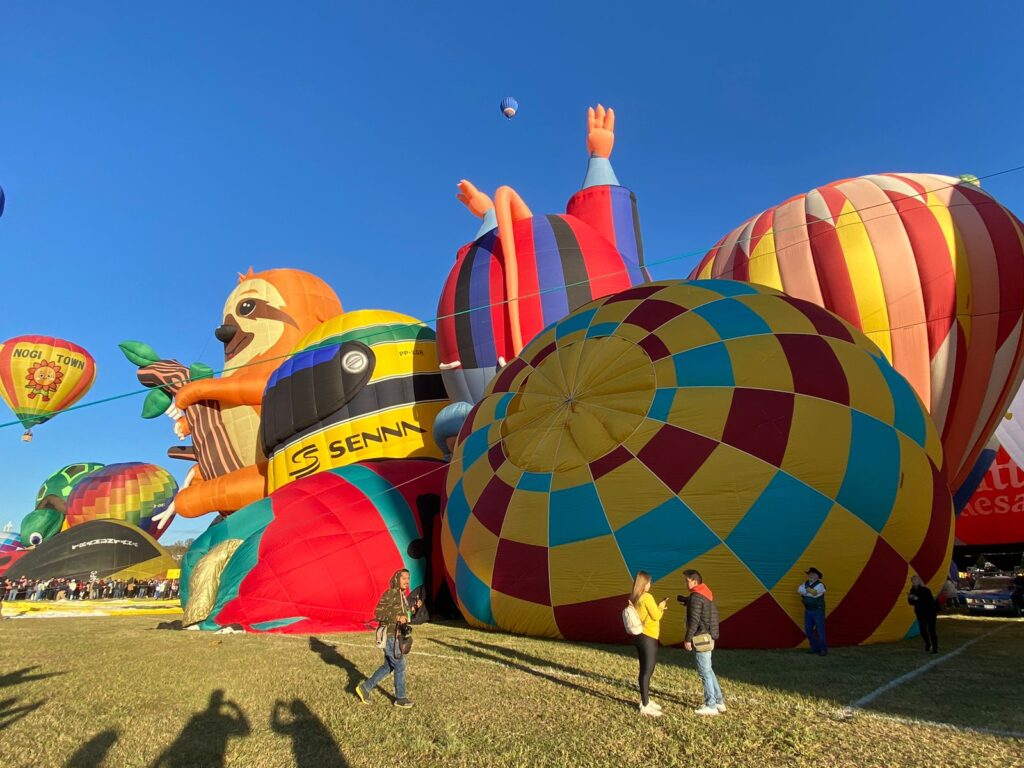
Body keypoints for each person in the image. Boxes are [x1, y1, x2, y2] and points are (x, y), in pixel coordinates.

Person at [355, 569, 421, 709]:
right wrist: (396, 618)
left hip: (398, 635)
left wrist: (414, 609)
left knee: (388, 666)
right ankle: (401, 698)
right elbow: (379, 613)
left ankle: (365, 688)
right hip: (390, 635)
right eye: (404, 578)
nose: (407, 581)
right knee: (400, 664)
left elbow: (405, 615)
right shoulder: (391, 593)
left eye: (408, 578)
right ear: (397, 579)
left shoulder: (402, 596)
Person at [682, 569, 724, 716]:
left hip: (700, 637)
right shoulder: (705, 594)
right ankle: (719, 701)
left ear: (694, 581)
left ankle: (711, 705)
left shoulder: (695, 597)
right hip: (709, 635)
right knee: (709, 670)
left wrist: (687, 639)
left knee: (704, 672)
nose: (685, 583)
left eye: (687, 580)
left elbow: (694, 621)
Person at [629, 570, 668, 717]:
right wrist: (661, 606)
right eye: (650, 582)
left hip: (640, 638)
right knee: (647, 671)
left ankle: (646, 700)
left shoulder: (636, 597)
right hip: (648, 637)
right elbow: (656, 616)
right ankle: (645, 705)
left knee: (645, 670)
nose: (651, 584)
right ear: (645, 584)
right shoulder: (647, 597)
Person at [798, 567, 827, 656]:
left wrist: (806, 591)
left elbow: (815, 593)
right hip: (808, 610)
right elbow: (799, 590)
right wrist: (809, 592)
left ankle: (823, 649)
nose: (810, 576)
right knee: (808, 629)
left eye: (812, 574)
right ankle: (814, 646)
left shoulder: (820, 585)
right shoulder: (805, 583)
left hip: (817, 610)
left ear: (817, 576)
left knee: (820, 630)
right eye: (809, 574)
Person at [907, 575, 939, 653]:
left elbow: (929, 601)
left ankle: (935, 648)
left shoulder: (926, 590)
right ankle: (928, 644)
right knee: (922, 630)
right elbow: (911, 603)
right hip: (920, 613)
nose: (913, 581)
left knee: (932, 630)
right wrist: (910, 598)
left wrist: (917, 599)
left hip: (930, 613)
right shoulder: (912, 590)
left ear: (919, 581)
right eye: (912, 580)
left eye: (915, 580)